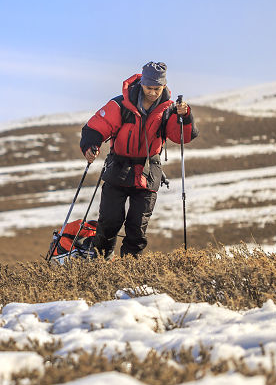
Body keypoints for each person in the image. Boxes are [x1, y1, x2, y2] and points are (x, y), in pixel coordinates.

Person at [78, 61, 198, 258]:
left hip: (149, 171)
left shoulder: (169, 109)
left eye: (157, 88)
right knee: (109, 221)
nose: (153, 92)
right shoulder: (120, 104)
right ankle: (99, 262)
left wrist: (184, 117)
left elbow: (180, 137)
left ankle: (130, 270)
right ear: (142, 82)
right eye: (149, 87)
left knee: (137, 227)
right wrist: (91, 146)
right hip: (118, 168)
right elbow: (95, 127)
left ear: (163, 86)